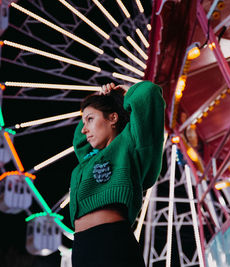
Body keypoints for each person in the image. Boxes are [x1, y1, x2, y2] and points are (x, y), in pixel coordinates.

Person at [70, 81, 165, 267]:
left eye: (90, 119)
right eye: (83, 122)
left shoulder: (128, 145)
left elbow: (149, 93)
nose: (83, 129)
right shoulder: (87, 159)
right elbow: (79, 141)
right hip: (81, 247)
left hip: (111, 240)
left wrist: (125, 92)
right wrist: (99, 100)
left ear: (113, 118)